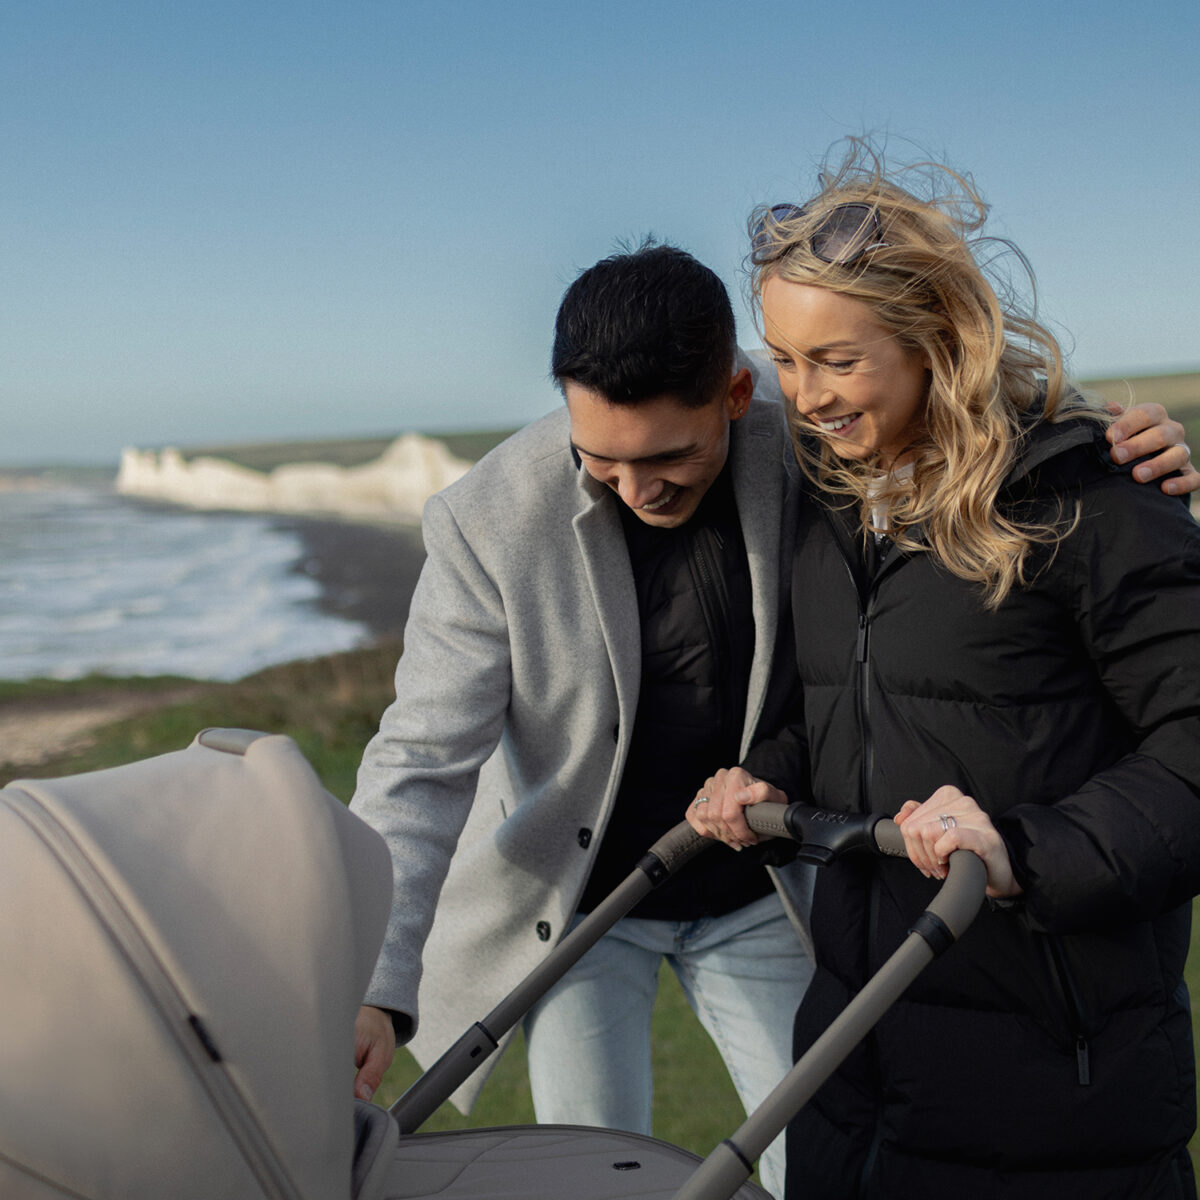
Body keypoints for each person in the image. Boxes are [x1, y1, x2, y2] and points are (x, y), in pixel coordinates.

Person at [351, 243, 1193, 1197]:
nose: (637, 490)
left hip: (765, 881)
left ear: (739, 397)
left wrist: (1120, 446)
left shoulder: (815, 446)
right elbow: (419, 759)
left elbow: (968, 438)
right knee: (585, 1166)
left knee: (821, 1153)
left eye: (670, 457)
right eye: (602, 463)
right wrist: (371, 982)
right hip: (580, 895)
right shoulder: (483, 520)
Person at [688, 142, 1200, 1199]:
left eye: (837, 359)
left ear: (937, 337)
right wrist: (770, 771)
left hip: (1054, 1088)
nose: (808, 397)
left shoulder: (1097, 499)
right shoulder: (835, 508)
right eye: (785, 359)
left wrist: (1021, 851)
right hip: (855, 1058)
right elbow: (858, 713)